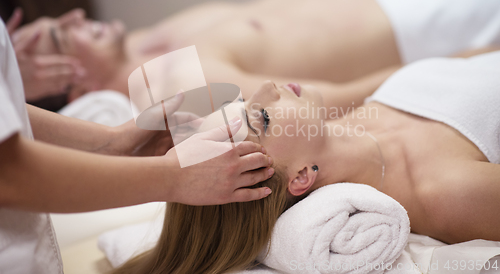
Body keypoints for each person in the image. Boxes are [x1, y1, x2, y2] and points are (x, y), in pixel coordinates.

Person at [112, 50, 500, 274]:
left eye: (245, 104)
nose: (266, 89)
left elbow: (465, 60)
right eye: (261, 119)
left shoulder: (342, 113)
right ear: (300, 177)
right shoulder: (445, 192)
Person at [9, 0, 500, 111]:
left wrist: (9, 65)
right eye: (59, 34)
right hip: (431, 28)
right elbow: (332, 101)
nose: (76, 15)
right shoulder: (176, 84)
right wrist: (460, 62)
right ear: (71, 85)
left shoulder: (136, 46)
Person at [0, 19, 274, 273]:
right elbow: (9, 175)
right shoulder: (185, 79)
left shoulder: (153, 41)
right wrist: (173, 177)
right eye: (263, 118)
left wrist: (112, 142)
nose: (270, 85)